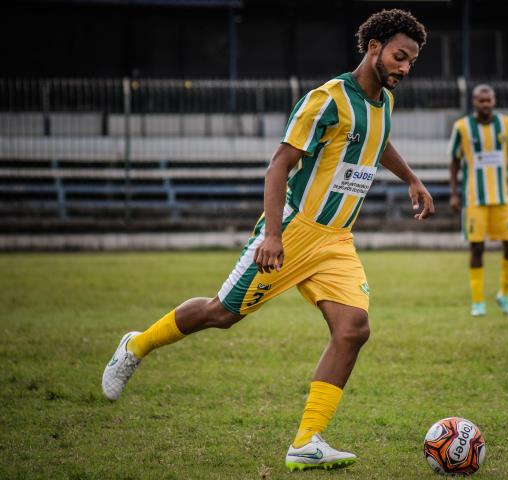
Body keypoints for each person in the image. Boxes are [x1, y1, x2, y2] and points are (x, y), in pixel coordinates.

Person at [102, 9, 433, 472]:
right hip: (294, 233)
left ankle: (307, 441)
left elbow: (376, 143)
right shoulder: (326, 98)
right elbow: (279, 164)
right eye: (400, 57)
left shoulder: (385, 104)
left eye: (412, 62)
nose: (405, 68)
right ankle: (136, 345)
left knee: (354, 329)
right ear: (374, 47)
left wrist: (412, 179)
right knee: (221, 313)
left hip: (337, 241)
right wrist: (273, 235)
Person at [449, 85, 508, 317]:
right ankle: (478, 301)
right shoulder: (462, 127)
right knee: (477, 247)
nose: (485, 104)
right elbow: (454, 161)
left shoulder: (507, 125)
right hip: (474, 198)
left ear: (494, 101)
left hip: (502, 197)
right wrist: (454, 193)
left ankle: (505, 294)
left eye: (488, 100)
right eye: (481, 101)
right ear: (474, 102)